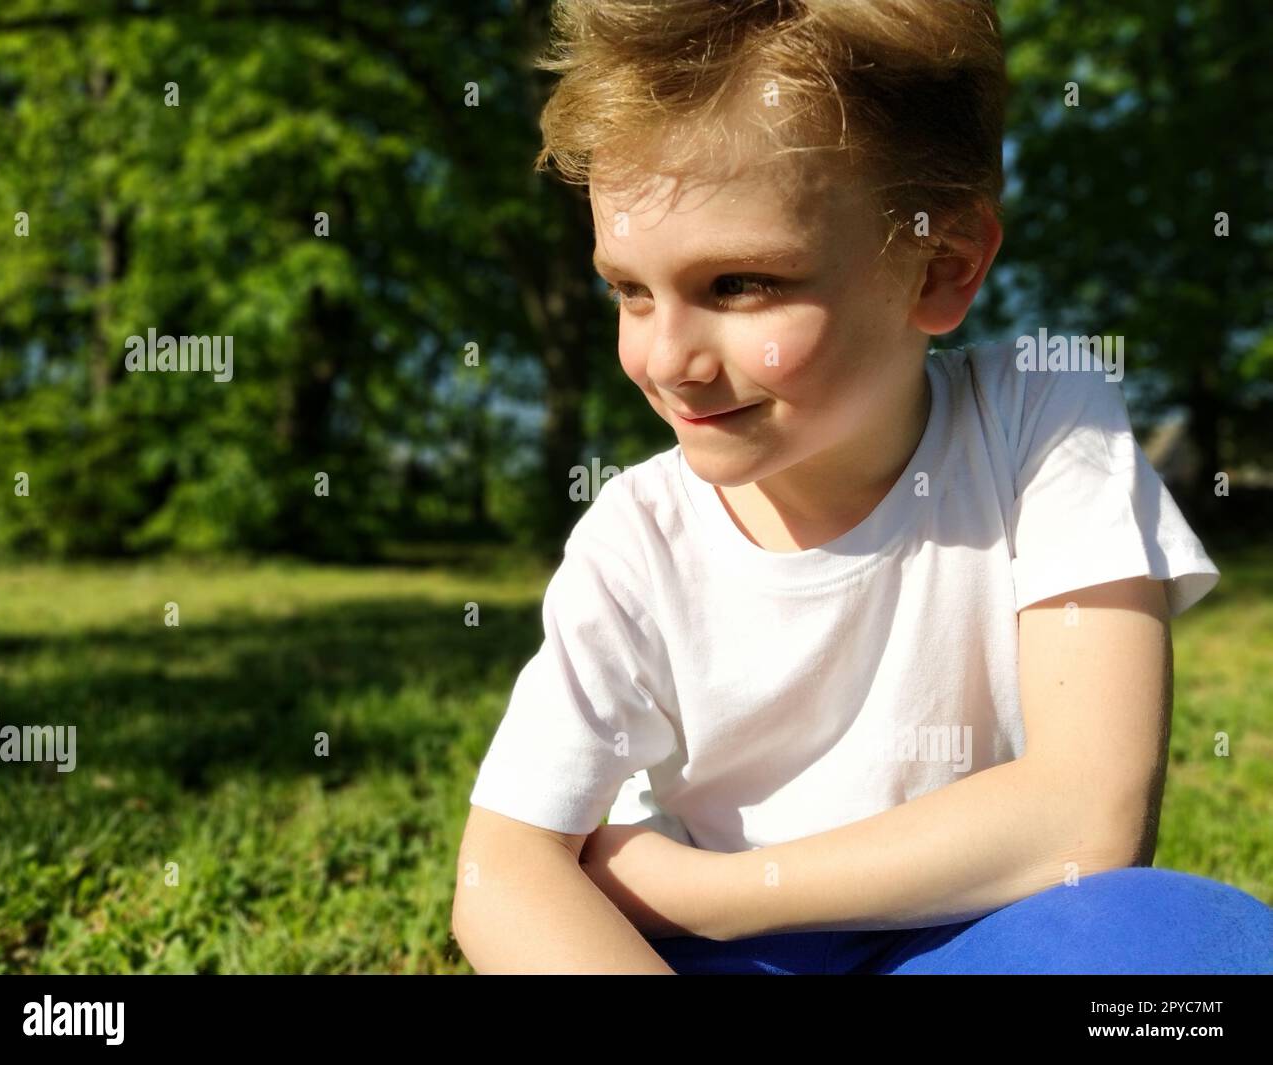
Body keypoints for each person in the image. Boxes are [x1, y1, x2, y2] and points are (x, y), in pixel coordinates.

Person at [451, 0, 1273, 974]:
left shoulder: (1042, 416)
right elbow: (505, 869)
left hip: (967, 935)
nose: (667, 359)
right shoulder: (636, 538)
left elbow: (1084, 821)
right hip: (736, 969)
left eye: (740, 285)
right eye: (629, 289)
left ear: (942, 265)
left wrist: (711, 894)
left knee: (1179, 942)